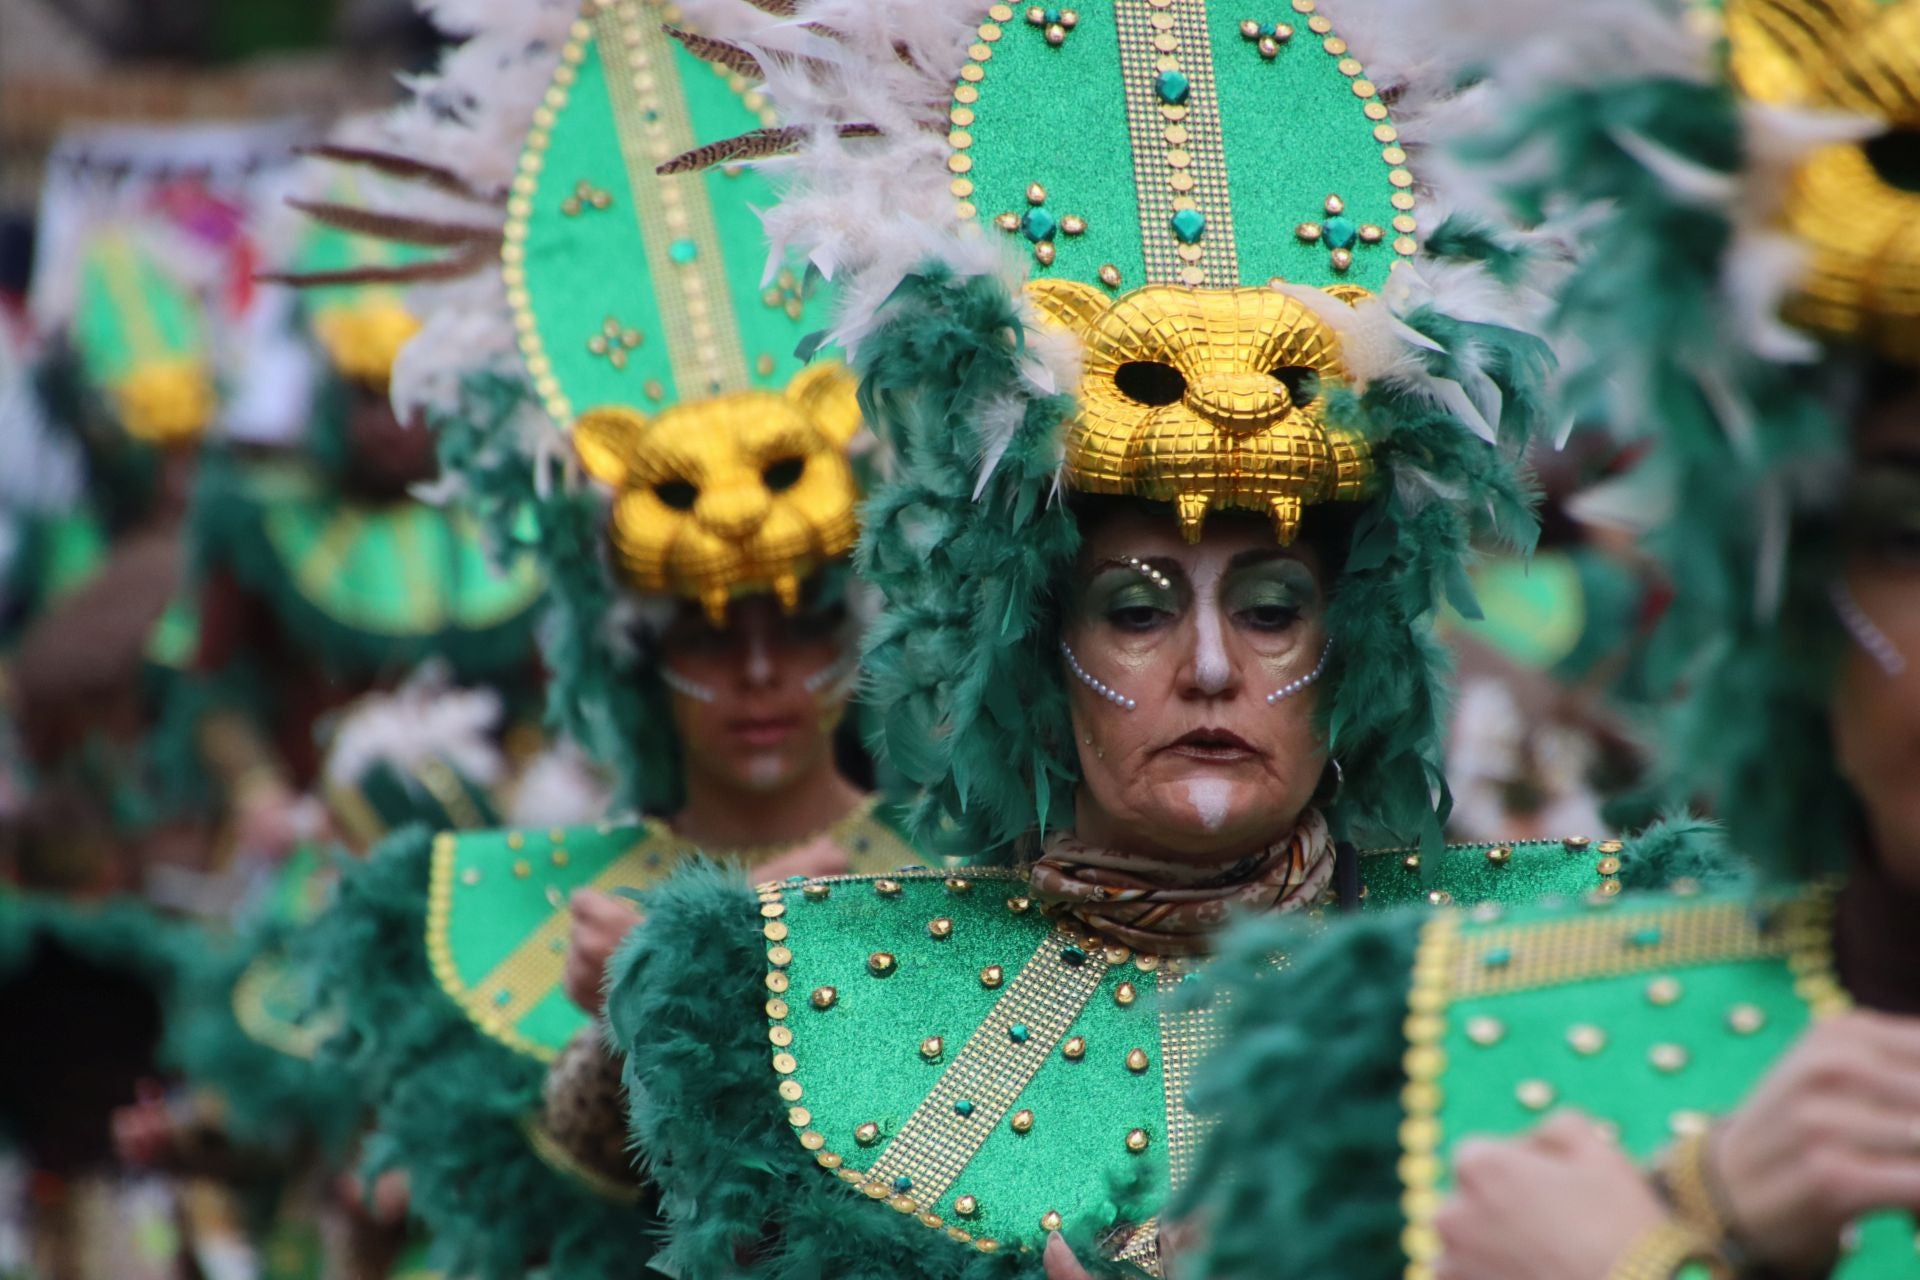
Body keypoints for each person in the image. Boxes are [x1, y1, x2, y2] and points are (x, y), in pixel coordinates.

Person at [599, 2, 1725, 1275]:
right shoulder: (792, 1011)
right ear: (1034, 644)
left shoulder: (1576, 964)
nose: (1207, 666)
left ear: (1352, 642)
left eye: (1270, 607)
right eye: (1136, 609)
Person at [1182, 1, 1920, 1277]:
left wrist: (1660, 1251)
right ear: (1775, 562)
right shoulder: (1429, 1060)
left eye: (1271, 602)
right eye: (1911, 532)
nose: (1207, 666)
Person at [282, 1, 921, 1274]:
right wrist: (632, 1018)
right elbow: (533, 1229)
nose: (756, 674)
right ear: (632, 643)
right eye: (704, 628)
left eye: (800, 627)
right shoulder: (542, 914)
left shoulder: (955, 875)